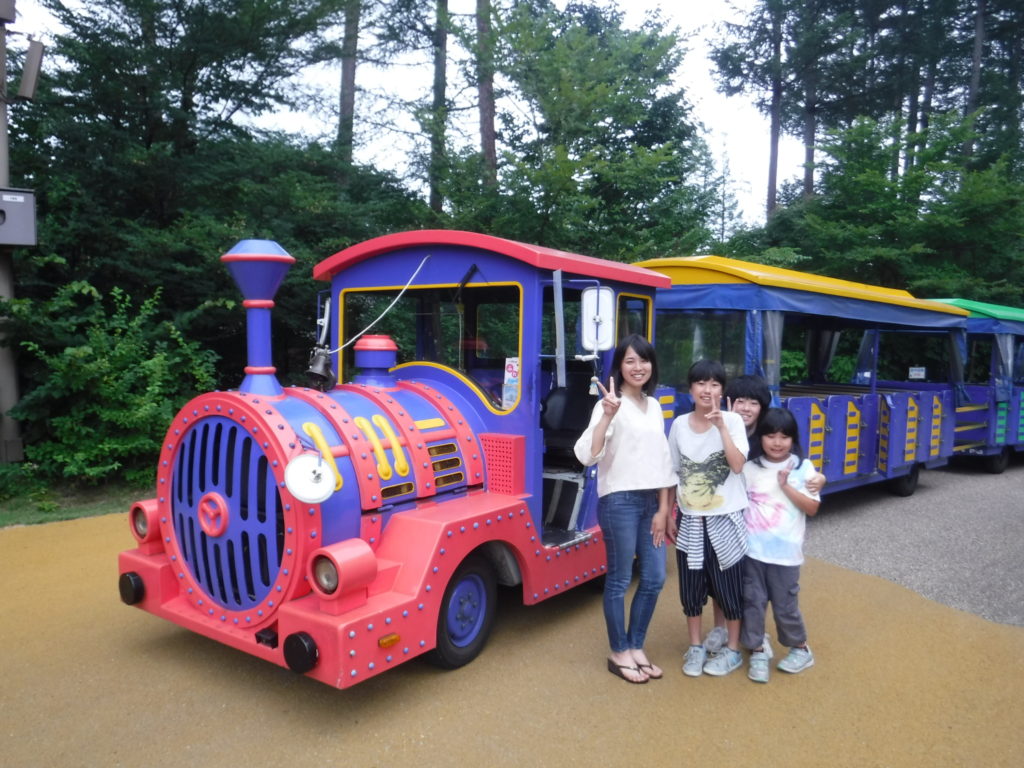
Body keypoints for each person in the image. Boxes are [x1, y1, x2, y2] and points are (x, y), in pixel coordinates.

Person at [574, 334, 676, 685]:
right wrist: (606, 416)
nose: (638, 367)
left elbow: (663, 462)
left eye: (643, 360)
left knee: (655, 577)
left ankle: (636, 645)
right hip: (619, 501)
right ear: (619, 366)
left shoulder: (655, 405)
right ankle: (619, 651)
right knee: (619, 579)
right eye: (630, 360)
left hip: (651, 502)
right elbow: (587, 455)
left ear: (652, 365)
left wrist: (664, 509)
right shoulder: (610, 403)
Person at [702, 374, 825, 655]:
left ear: (763, 407)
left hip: (756, 530)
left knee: (756, 589)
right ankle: (722, 628)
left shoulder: (767, 437)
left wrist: (820, 478)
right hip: (724, 514)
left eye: (753, 403)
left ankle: (758, 637)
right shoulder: (718, 427)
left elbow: (797, 466)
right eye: (740, 401)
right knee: (723, 578)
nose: (745, 408)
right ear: (729, 402)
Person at [667, 359, 749, 677]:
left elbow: (737, 465)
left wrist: (722, 427)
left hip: (726, 520)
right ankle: (695, 646)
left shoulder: (733, 421)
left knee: (729, 587)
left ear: (722, 391)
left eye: (715, 384)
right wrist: (670, 513)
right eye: (701, 383)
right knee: (691, 588)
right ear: (690, 389)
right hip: (690, 520)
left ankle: (732, 649)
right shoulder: (678, 425)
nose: (707, 389)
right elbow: (673, 472)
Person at [741, 407, 821, 683]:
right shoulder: (750, 468)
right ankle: (757, 649)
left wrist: (786, 486)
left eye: (784, 437)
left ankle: (800, 648)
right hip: (752, 552)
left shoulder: (803, 468)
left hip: (786, 556)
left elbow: (812, 508)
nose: (777, 443)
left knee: (786, 606)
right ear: (761, 438)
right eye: (771, 436)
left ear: (793, 439)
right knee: (752, 602)